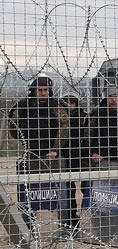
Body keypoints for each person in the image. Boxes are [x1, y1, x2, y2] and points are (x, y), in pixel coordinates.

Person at [9, 75, 70, 225]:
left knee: (59, 192)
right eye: (40, 90)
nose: (43, 93)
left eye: (46, 90)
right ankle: (28, 227)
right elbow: (13, 127)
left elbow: (65, 127)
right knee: (28, 191)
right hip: (31, 154)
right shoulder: (23, 106)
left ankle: (64, 226)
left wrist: (55, 149)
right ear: (33, 90)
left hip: (53, 155)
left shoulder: (56, 105)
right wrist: (26, 142)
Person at [60, 92, 88, 229]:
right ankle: (71, 217)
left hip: (82, 155)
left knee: (86, 186)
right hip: (65, 155)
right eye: (67, 103)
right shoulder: (60, 117)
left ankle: (85, 215)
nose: (70, 106)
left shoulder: (84, 117)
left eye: (72, 103)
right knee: (68, 188)